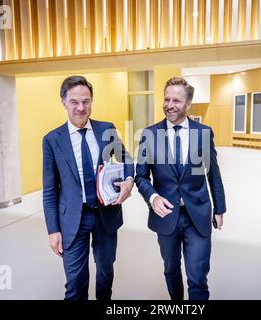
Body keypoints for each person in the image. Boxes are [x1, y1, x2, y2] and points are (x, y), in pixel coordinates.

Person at [42, 75, 134, 300]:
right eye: (74, 102)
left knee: (105, 271)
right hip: (73, 218)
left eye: (86, 101)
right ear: (63, 102)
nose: (81, 107)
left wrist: (129, 181)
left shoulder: (106, 129)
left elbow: (127, 160)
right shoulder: (52, 140)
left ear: (92, 101)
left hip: (106, 214)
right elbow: (50, 190)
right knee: (75, 281)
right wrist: (53, 230)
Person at [135, 77, 226, 300]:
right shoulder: (150, 135)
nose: (169, 104)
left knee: (197, 277)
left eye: (176, 100)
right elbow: (140, 176)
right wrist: (153, 197)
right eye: (166, 99)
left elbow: (212, 172)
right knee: (171, 269)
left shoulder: (203, 133)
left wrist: (219, 208)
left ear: (188, 104)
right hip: (166, 216)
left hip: (198, 214)